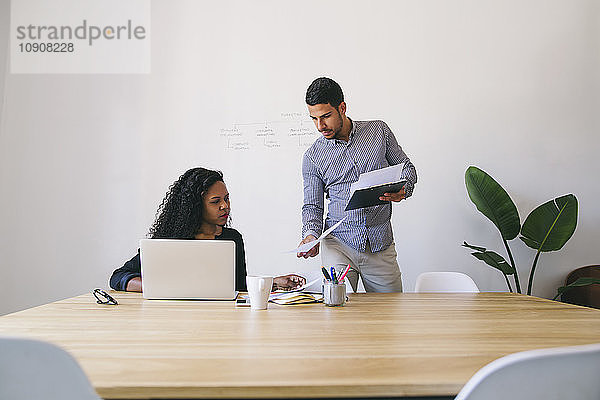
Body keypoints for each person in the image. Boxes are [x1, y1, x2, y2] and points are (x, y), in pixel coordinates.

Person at [297, 77, 417, 293]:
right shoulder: (313, 157)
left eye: (325, 116)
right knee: (335, 317)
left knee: (390, 315)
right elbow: (312, 207)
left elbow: (407, 168)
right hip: (338, 244)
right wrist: (311, 235)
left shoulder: (379, 131)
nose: (320, 126)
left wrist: (403, 189)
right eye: (313, 119)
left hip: (380, 242)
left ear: (342, 107)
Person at [111, 167, 305, 292]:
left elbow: (237, 286)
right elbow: (118, 277)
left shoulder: (232, 238)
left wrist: (276, 282)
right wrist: (154, 288)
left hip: (219, 317)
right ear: (195, 206)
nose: (225, 206)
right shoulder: (169, 239)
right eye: (215, 201)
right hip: (171, 319)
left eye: (226, 198)